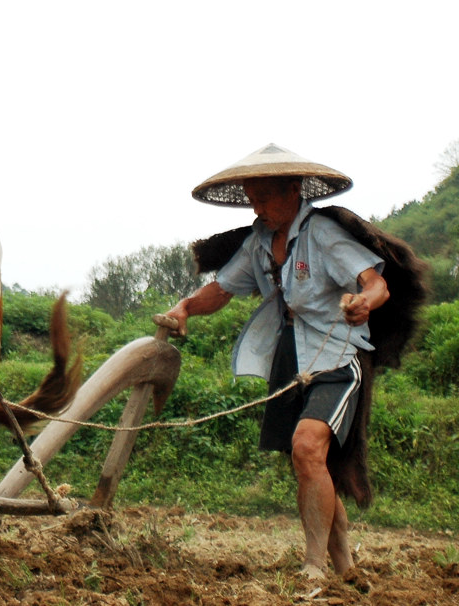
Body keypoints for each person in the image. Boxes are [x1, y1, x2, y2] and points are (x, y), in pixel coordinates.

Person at [165, 144, 393, 580]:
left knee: (307, 448)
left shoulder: (323, 235)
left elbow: (374, 281)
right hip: (289, 356)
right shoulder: (258, 243)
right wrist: (185, 308)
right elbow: (223, 289)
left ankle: (313, 565)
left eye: (266, 198)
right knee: (309, 462)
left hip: (337, 356)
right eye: (253, 200)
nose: (259, 208)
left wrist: (363, 302)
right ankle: (345, 566)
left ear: (294, 190)